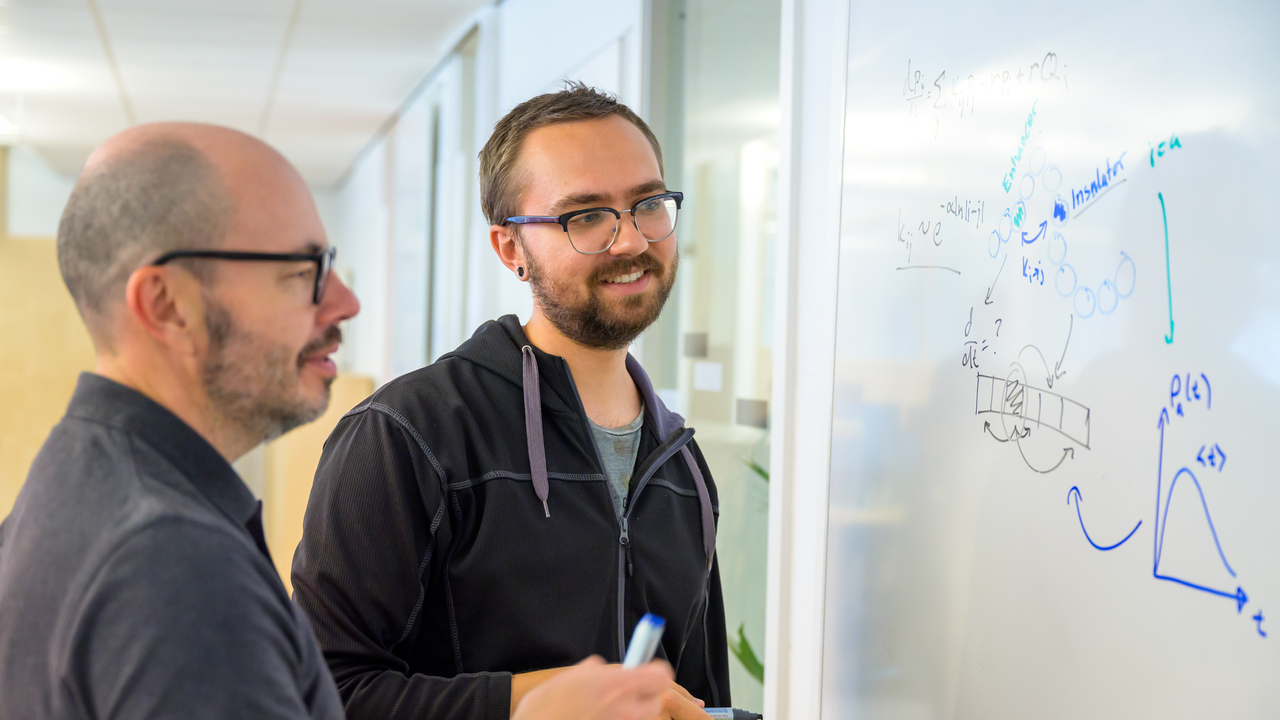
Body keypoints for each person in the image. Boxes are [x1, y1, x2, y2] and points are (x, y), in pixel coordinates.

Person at [0, 122, 675, 720]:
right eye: (303, 271)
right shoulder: (170, 564)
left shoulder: (85, 492)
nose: (347, 302)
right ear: (168, 305)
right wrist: (522, 709)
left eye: (648, 204)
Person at [292, 84, 729, 720]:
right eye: (586, 216)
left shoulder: (682, 467)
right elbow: (324, 691)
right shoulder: (409, 435)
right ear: (510, 249)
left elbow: (698, 698)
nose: (632, 241)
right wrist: (537, 704)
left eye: (648, 204)